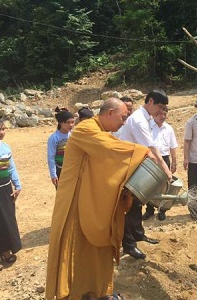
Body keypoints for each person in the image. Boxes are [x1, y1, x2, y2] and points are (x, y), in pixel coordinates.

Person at [45, 98, 153, 300]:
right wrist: (143, 151)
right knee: (76, 247)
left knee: (97, 245)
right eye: (122, 117)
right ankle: (72, 293)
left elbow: (107, 159)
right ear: (110, 112)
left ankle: (98, 291)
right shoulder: (85, 129)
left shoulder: (100, 132)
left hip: (91, 197)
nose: (124, 122)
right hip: (74, 201)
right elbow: (111, 149)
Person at [119, 89, 172, 259]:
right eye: (160, 106)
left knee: (137, 203)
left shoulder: (147, 118)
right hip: (127, 167)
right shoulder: (139, 121)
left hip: (137, 165)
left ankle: (137, 234)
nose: (161, 111)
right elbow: (151, 148)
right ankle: (128, 245)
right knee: (128, 205)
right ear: (150, 101)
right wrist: (165, 169)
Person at [142, 106, 178, 221]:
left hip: (165, 158)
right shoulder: (148, 127)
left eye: (164, 114)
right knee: (150, 185)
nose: (162, 116)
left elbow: (173, 147)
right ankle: (150, 210)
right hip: (151, 159)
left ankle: (162, 210)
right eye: (159, 114)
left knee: (165, 186)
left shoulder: (169, 128)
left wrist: (174, 162)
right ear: (154, 114)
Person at [0, 121, 21, 271]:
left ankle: (5, 251)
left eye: (3, 129)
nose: (1, 132)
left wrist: (17, 185)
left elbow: (11, 167)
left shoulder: (5, 148)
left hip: (6, 188)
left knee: (6, 219)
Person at [47, 108, 75, 188]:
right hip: (60, 170)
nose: (71, 125)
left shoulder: (73, 135)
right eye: (68, 123)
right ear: (61, 123)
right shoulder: (54, 138)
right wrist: (53, 175)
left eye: (72, 122)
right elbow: (51, 157)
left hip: (72, 169)